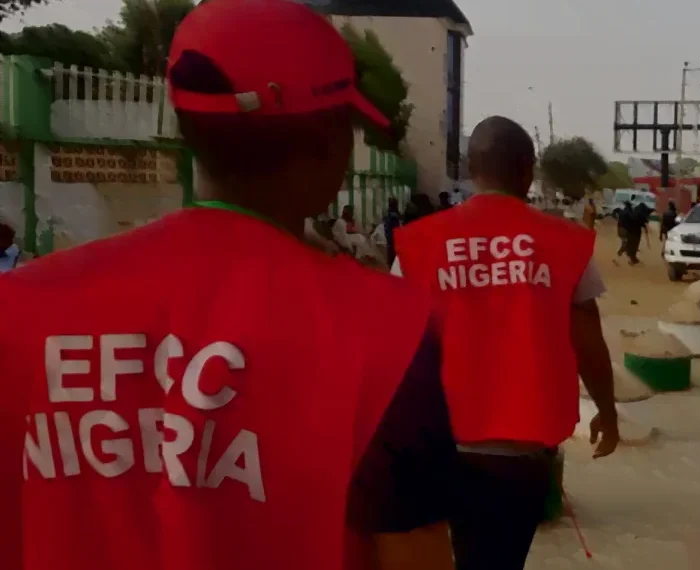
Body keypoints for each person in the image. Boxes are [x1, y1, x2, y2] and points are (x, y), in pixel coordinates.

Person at [0, 1, 457, 569]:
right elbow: (415, 556)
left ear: (188, 128)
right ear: (329, 139)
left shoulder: (18, 309)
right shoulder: (387, 332)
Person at [390, 115, 619, 570]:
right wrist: (607, 415)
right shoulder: (565, 242)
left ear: (472, 166)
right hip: (523, 453)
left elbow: (394, 345)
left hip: (437, 444)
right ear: (526, 169)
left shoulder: (417, 244)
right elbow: (588, 342)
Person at [384, 197, 402, 266]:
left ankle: (390, 262)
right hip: (393, 233)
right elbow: (399, 218)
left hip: (390, 233)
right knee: (393, 248)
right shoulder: (394, 213)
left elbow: (386, 223)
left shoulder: (389, 212)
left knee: (390, 248)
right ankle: (393, 262)